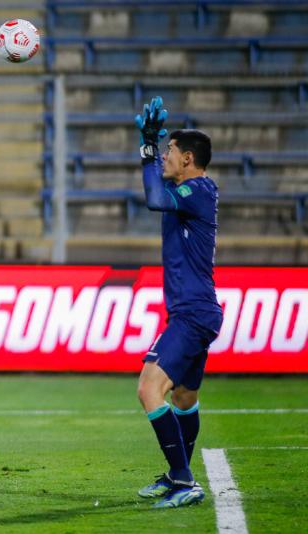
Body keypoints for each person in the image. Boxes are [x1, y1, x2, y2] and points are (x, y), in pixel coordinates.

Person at [134, 97, 223, 509]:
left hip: (192, 314)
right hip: (195, 312)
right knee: (184, 398)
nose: (166, 156)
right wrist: (152, 146)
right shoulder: (187, 191)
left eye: (171, 151)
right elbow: (159, 192)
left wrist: (147, 145)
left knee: (150, 388)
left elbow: (153, 198)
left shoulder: (197, 191)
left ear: (188, 159)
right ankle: (177, 475)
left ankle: (185, 481)